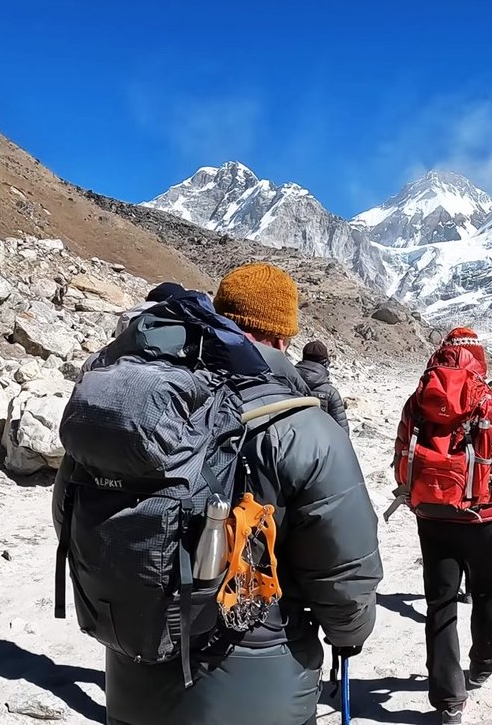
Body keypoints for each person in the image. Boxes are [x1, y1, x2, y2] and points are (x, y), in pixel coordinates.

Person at [75, 263, 383, 725]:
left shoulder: (140, 405)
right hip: (259, 690)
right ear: (282, 338)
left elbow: (71, 514)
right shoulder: (305, 428)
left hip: (133, 675)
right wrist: (349, 633)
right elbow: (345, 572)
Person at [393, 327, 492, 725]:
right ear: (480, 358)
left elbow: (401, 458)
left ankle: (448, 702)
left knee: (440, 605)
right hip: (484, 518)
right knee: (487, 592)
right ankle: (483, 664)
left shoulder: (418, 400)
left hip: (433, 519)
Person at [295, 339, 351, 434]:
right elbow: (342, 432)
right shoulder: (330, 393)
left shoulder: (287, 383)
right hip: (321, 445)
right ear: (325, 362)